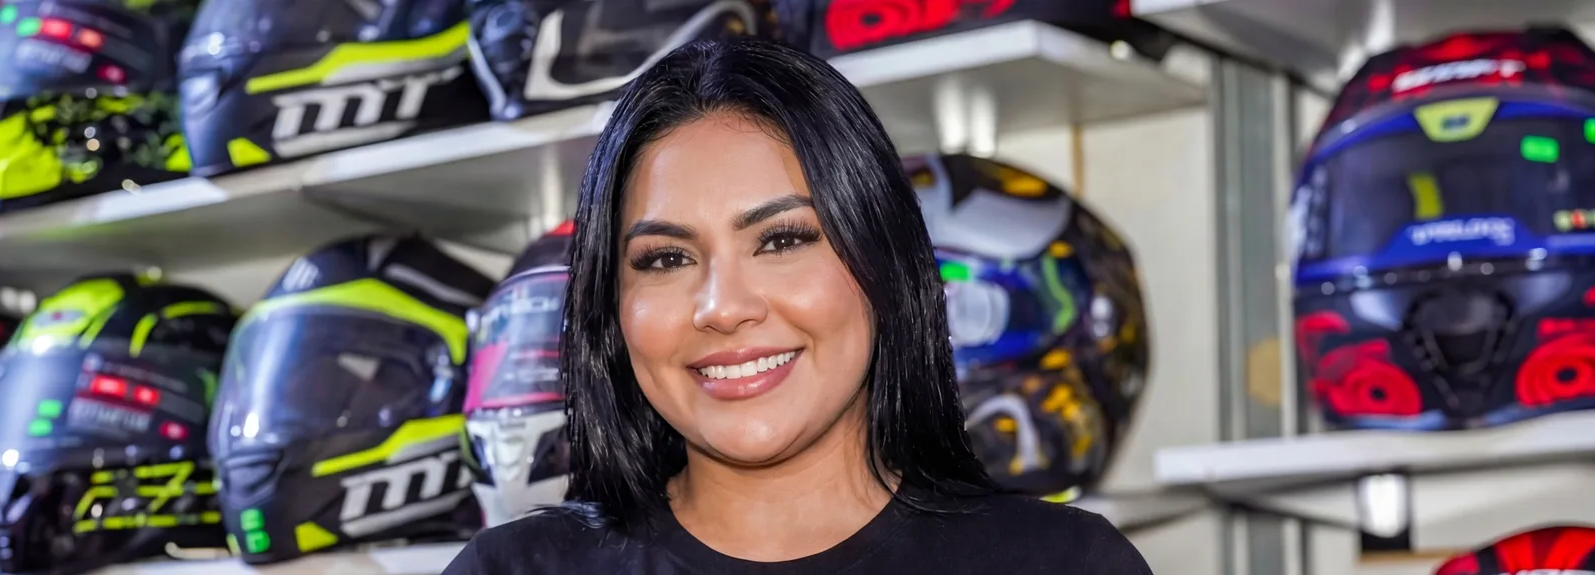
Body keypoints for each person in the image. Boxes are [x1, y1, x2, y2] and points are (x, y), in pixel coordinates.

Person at [443, 37, 1154, 574]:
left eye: (782, 240)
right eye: (665, 258)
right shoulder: (511, 569)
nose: (722, 307)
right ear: (613, 306)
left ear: (884, 263)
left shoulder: (1064, 563)